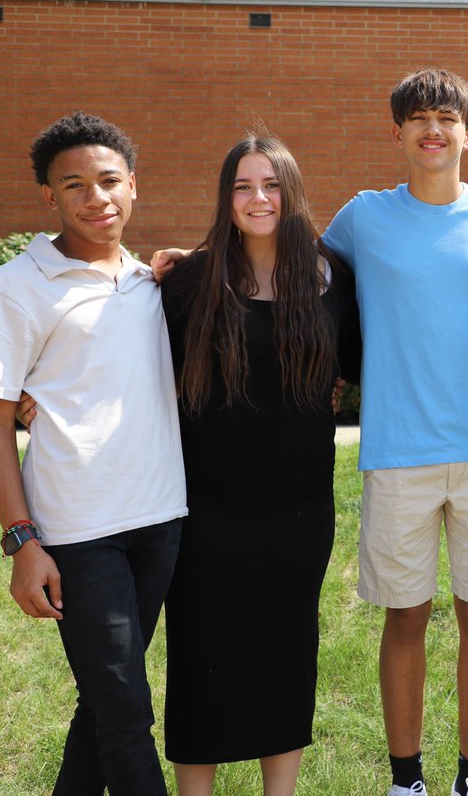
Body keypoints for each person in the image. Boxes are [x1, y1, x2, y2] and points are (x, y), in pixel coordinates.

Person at [322, 68, 468, 796]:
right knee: (406, 617)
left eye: (447, 119)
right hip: (397, 450)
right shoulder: (363, 216)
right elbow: (298, 280)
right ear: (399, 133)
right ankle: (405, 779)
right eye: (419, 118)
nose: (433, 129)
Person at [0, 112, 187, 795]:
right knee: (126, 713)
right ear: (49, 197)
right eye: (75, 186)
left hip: (161, 522)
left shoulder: (152, 283)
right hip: (77, 536)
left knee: (104, 700)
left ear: (133, 187)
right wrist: (23, 540)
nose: (97, 198)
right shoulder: (14, 286)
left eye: (109, 181)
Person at [158, 135, 360, 795]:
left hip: (298, 509)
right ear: (226, 197)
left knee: (286, 652)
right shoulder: (189, 280)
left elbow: (361, 363)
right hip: (204, 508)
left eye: (271, 185)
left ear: (293, 193)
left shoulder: (332, 277)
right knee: (199, 653)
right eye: (243, 186)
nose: (258, 198)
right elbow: (132, 364)